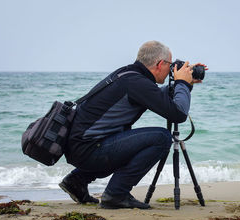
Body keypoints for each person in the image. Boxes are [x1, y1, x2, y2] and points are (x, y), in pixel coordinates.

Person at [59, 41, 205, 209]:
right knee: (162, 138)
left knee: (128, 142)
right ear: (160, 64)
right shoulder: (138, 82)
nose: (171, 70)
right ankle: (116, 194)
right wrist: (182, 84)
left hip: (80, 148)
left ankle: (77, 181)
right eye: (170, 65)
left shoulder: (130, 75)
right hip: (89, 150)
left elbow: (160, 98)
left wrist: (186, 83)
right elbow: (178, 114)